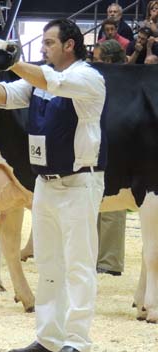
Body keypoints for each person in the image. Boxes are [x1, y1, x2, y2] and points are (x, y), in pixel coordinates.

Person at [0, 19, 106, 352]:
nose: (43, 48)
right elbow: (7, 97)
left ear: (70, 45)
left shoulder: (87, 78)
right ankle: (48, 337)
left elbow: (51, 82)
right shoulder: (40, 80)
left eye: (49, 43)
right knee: (48, 262)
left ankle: (78, 341)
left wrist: (11, 59)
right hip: (45, 183)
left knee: (78, 264)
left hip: (79, 182)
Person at [91, 39, 127, 277]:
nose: (93, 63)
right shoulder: (100, 82)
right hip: (98, 145)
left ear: (110, 61)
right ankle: (95, 257)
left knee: (114, 204)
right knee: (95, 202)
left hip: (119, 146)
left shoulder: (123, 82)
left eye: (97, 60)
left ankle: (110, 261)